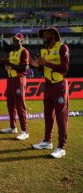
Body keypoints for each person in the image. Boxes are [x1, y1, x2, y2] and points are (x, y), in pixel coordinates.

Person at [31, 27, 70, 158]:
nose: (44, 36)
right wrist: (37, 66)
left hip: (59, 85)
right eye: (43, 34)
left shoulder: (62, 47)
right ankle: (47, 141)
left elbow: (64, 69)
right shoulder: (44, 50)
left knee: (61, 116)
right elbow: (45, 70)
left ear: (53, 35)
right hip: (47, 85)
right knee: (48, 115)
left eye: (47, 34)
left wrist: (46, 63)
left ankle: (62, 147)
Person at [0, 33, 30, 140]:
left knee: (20, 105)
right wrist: (3, 63)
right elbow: (8, 68)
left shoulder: (24, 51)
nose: (15, 42)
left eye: (17, 41)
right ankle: (13, 127)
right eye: (14, 41)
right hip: (10, 79)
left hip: (19, 80)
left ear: (22, 42)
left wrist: (9, 63)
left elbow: (23, 69)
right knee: (10, 104)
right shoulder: (12, 52)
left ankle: (25, 131)